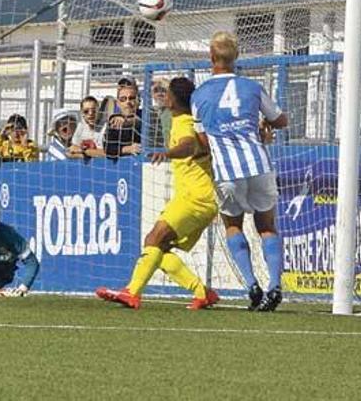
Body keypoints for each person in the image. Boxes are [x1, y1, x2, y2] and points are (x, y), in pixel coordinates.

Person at [96, 77, 219, 310]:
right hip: (199, 198)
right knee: (158, 247)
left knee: (153, 240)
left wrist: (169, 153)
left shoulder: (183, 122)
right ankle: (202, 292)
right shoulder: (188, 120)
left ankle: (132, 292)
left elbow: (188, 145)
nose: (164, 96)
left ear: (173, 99)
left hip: (195, 198)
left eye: (167, 92)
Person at [191, 31, 289, 312]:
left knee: (233, 225)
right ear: (236, 58)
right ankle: (274, 285)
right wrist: (263, 129)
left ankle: (251, 285)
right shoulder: (252, 87)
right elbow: (279, 120)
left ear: (211, 58)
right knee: (267, 227)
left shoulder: (200, 94)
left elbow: (203, 140)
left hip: (227, 172)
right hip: (258, 164)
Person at [104, 84, 142, 158]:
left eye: (131, 98)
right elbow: (108, 149)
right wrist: (128, 149)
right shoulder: (115, 121)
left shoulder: (146, 115)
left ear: (138, 101)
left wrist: (126, 121)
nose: (127, 102)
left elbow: (139, 121)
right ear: (118, 103)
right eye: (123, 99)